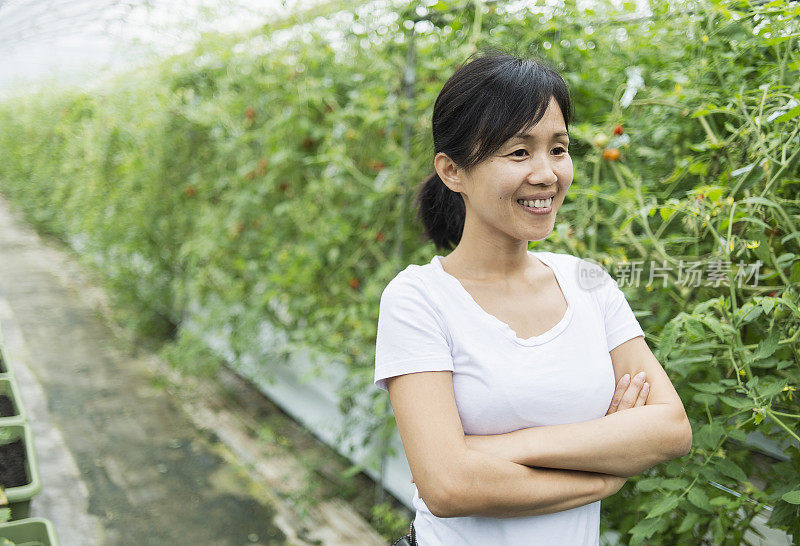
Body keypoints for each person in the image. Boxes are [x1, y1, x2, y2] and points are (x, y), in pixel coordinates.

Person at [374, 50, 692, 546]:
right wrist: (605, 470)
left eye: (558, 149)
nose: (547, 174)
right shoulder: (418, 299)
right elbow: (448, 486)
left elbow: (671, 428)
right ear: (452, 171)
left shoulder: (587, 280)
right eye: (519, 152)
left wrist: (501, 448)